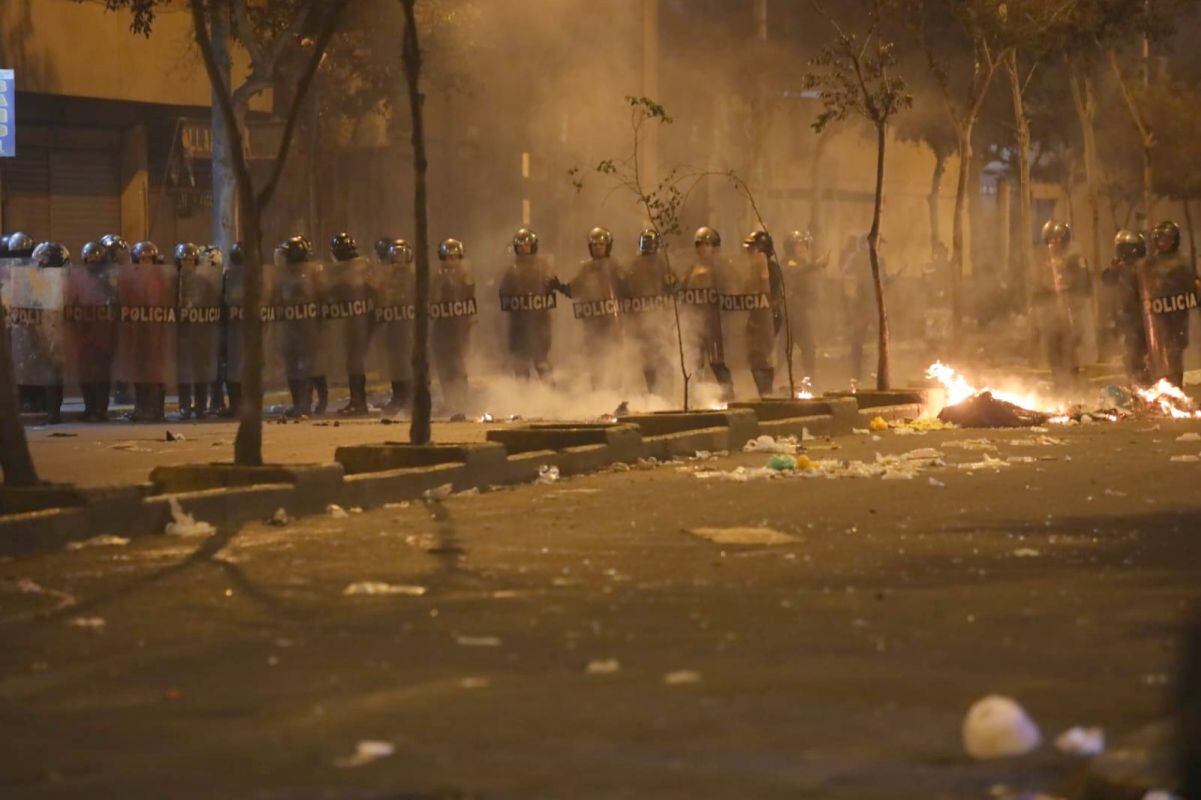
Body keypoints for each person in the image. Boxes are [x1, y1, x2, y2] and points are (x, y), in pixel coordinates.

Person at [555, 226, 625, 389]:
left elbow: (628, 288)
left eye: (601, 244)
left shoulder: (615, 266)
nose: (598, 248)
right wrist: (558, 286)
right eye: (594, 245)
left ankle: (615, 395)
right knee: (595, 364)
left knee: (614, 362)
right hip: (592, 327)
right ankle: (598, 396)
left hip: (613, 325)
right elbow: (574, 290)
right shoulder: (586, 270)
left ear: (608, 246)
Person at [1030, 220, 1092, 394]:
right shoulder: (1043, 261)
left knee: (1069, 351)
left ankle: (1073, 389)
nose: (1054, 243)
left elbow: (1084, 285)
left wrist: (1068, 287)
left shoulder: (1075, 259)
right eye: (1051, 239)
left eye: (1058, 239)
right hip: (1050, 315)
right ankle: (1060, 388)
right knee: (1053, 353)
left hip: (1070, 312)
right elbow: (1037, 288)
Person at [116, 240, 174, 421]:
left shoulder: (162, 278)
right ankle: (141, 409)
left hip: (157, 332)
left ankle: (157, 411)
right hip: (138, 331)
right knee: (139, 373)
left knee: (156, 373)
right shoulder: (131, 278)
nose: (145, 263)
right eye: (142, 259)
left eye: (149, 259)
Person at [11, 241, 67, 423]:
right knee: (48, 370)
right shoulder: (33, 281)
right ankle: (48, 409)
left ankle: (53, 411)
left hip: (56, 328)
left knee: (53, 371)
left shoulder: (65, 282)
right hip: (41, 327)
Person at [66, 241, 119, 421]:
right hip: (84, 332)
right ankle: (90, 408)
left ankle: (100, 409)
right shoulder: (78, 278)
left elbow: (114, 304)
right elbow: (71, 302)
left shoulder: (109, 279)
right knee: (85, 373)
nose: (93, 263)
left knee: (102, 374)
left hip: (103, 333)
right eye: (90, 260)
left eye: (97, 260)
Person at [620, 228, 678, 395]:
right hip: (641, 322)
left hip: (660, 321)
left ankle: (667, 393)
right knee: (648, 361)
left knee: (662, 358)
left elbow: (674, 287)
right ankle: (654, 393)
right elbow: (625, 292)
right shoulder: (633, 266)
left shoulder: (663, 264)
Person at [679, 226, 734, 400]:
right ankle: (698, 397)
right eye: (700, 245)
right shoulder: (691, 270)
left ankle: (728, 394)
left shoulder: (722, 268)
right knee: (696, 363)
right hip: (696, 324)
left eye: (707, 245)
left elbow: (730, 294)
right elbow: (682, 293)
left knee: (717, 362)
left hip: (715, 323)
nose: (703, 249)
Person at [271, 236, 323, 417]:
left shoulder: (310, 273)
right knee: (292, 364)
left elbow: (319, 296)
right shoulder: (283, 275)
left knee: (307, 366)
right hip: (289, 326)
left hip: (306, 326)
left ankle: (306, 403)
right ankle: (297, 403)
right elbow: (276, 297)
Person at [499, 227, 557, 382]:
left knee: (542, 361)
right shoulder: (512, 270)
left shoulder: (542, 268)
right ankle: (523, 397)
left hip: (539, 323)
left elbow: (551, 289)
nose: (524, 248)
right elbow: (504, 294)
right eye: (521, 245)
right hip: (519, 324)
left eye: (527, 244)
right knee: (520, 364)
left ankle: (550, 395)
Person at [326, 232, 375, 415]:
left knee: (354, 361)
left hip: (360, 321)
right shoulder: (362, 267)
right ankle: (357, 400)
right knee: (354, 361)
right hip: (358, 320)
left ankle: (358, 402)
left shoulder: (356, 269)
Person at [1143, 220, 1196, 388]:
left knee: (1174, 355)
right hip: (1158, 317)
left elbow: (1191, 286)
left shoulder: (1182, 262)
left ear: (1174, 240)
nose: (1162, 243)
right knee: (1156, 354)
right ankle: (1161, 391)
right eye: (1159, 239)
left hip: (1176, 317)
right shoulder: (1151, 262)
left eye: (1166, 239)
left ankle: (1176, 390)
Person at [175, 242, 222, 418]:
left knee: (201, 372)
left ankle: (201, 406)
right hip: (182, 334)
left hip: (200, 333)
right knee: (184, 373)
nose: (187, 264)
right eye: (184, 260)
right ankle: (184, 406)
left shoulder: (203, 281)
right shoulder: (174, 280)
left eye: (190, 260)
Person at [431, 238, 477, 413]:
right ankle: (449, 400)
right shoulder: (436, 276)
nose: (451, 261)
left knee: (458, 364)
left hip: (458, 328)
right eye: (447, 257)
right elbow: (432, 297)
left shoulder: (465, 276)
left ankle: (463, 400)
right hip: (441, 327)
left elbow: (469, 298)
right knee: (443, 365)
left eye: (454, 257)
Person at [1101, 230, 1150, 385]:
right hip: (1126, 320)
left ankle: (1147, 387)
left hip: (1143, 319)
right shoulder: (1118, 269)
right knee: (1130, 357)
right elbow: (1107, 280)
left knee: (1143, 357)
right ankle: (1137, 388)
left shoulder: (1144, 267)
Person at [372, 238, 416, 412]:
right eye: (395, 255)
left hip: (409, 326)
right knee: (395, 363)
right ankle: (398, 397)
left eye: (402, 255)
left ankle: (411, 398)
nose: (399, 260)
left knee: (409, 361)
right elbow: (380, 297)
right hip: (392, 325)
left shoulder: (413, 276)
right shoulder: (386, 276)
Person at [740, 230, 784, 398]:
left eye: (752, 249)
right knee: (755, 357)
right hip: (755, 318)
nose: (748, 253)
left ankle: (766, 394)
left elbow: (770, 295)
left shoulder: (771, 269)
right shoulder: (751, 268)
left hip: (769, 318)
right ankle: (763, 393)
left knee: (763, 357)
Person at [781, 230, 827, 383]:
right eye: (799, 246)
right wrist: (815, 265)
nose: (803, 250)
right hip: (791, 314)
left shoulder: (803, 265)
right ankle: (770, 384)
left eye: (805, 246)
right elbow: (793, 273)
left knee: (808, 349)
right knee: (784, 352)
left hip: (801, 312)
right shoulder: (788, 263)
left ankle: (809, 380)